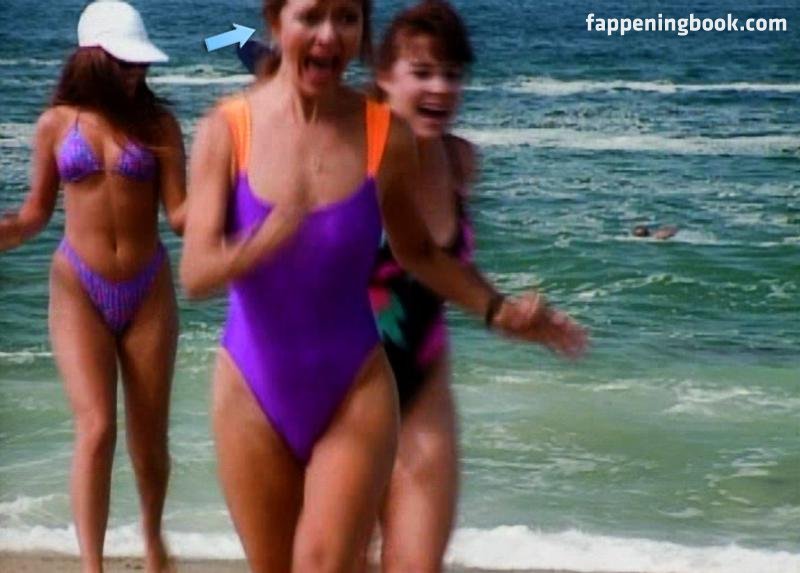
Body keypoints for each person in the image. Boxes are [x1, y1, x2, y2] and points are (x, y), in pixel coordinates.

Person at [180, 0, 586, 570]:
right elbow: (195, 274)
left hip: (356, 386)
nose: (329, 34)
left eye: (347, 18)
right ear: (275, 22)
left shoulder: (383, 135)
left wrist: (499, 311)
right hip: (250, 389)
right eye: (311, 17)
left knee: (324, 564)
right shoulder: (225, 129)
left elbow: (418, 252)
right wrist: (259, 243)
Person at [0, 1, 185, 571]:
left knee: (149, 438)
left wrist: (243, 215)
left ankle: (152, 539)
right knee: (97, 427)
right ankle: (92, 565)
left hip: (148, 289)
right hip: (77, 287)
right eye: (124, 62)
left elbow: (180, 216)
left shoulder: (159, 124)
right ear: (94, 58)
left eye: (140, 63)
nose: (136, 72)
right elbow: (34, 215)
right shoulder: (56, 124)